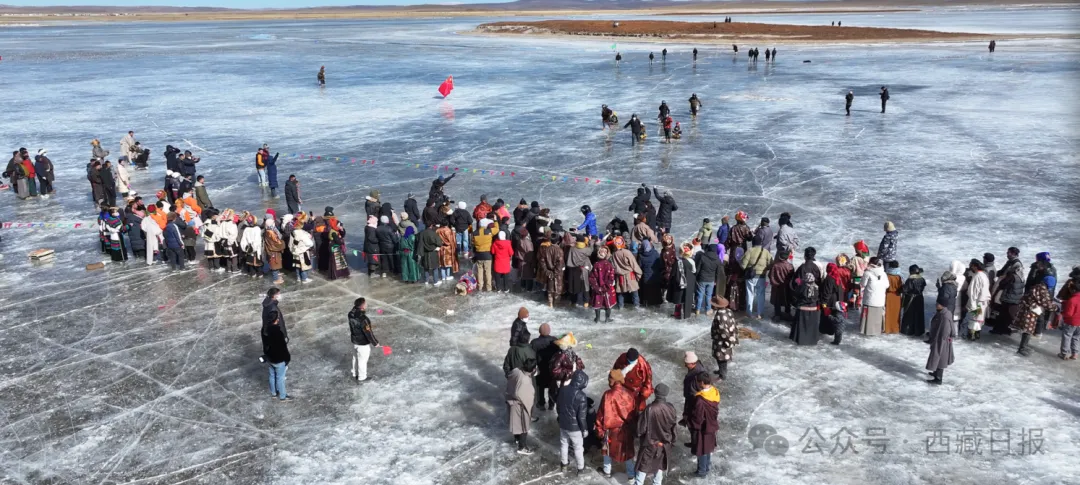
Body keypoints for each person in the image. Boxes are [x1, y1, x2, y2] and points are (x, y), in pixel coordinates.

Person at [597, 369, 637, 480]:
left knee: (607, 450)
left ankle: (607, 471)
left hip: (611, 431)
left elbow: (601, 414)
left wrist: (599, 429)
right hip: (627, 429)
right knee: (627, 452)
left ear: (612, 380)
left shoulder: (608, 395)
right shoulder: (629, 394)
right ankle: (631, 475)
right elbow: (634, 413)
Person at [634, 383, 677, 485]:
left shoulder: (649, 409)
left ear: (655, 393)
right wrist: (672, 441)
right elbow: (674, 428)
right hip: (664, 445)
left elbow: (641, 429)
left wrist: (637, 433)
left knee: (643, 468)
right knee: (659, 469)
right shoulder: (671, 408)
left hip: (650, 445)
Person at [1014, 271, 1054, 356]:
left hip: (1026, 309)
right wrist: (1056, 308)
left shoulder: (1036, 286)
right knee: (1028, 329)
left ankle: (1024, 346)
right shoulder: (1043, 290)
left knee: (1028, 329)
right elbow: (1046, 304)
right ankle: (1022, 348)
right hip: (1031, 311)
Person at [557, 370, 589, 475]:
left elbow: (558, 406)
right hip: (575, 428)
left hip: (563, 424)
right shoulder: (581, 396)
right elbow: (581, 417)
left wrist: (560, 418)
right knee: (578, 447)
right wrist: (584, 429)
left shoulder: (563, 389)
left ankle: (564, 464)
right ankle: (580, 468)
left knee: (564, 444)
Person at [262, 290, 291, 401]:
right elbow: (282, 348)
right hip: (278, 359)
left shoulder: (265, 330)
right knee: (280, 377)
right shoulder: (277, 333)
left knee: (272, 374)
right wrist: (287, 359)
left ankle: (274, 393)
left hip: (269, 357)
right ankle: (283, 396)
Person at [688, 373, 719, 477]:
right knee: (708, 448)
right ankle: (706, 467)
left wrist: (690, 423)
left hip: (702, 428)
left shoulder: (700, 399)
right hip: (712, 425)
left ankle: (701, 471)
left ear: (701, 382)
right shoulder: (714, 392)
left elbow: (697, 417)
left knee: (701, 449)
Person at [926, 279, 956, 385]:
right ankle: (935, 373)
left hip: (941, 341)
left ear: (942, 305)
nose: (936, 304)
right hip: (938, 339)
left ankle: (938, 378)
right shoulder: (942, 313)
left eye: (938, 303)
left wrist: (938, 341)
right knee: (937, 357)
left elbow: (945, 331)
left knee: (940, 358)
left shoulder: (945, 317)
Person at [507, 358, 537, 455]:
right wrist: (530, 412)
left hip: (511, 400)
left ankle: (517, 439)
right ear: (533, 369)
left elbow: (509, 377)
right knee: (524, 426)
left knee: (516, 423)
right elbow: (527, 399)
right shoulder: (525, 382)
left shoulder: (516, 370)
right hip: (520, 405)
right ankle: (522, 447)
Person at [347, 297, 379, 382]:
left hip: (355, 341)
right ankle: (362, 377)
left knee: (355, 358)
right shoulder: (363, 319)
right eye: (365, 303)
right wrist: (375, 343)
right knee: (362, 360)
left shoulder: (350, 314)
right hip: (362, 343)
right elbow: (368, 333)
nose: (366, 304)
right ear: (362, 306)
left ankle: (354, 373)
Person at [612, 348, 654, 412]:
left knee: (635, 408)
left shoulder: (642, 363)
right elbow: (615, 370)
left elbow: (648, 379)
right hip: (623, 387)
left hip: (636, 391)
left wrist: (645, 392)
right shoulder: (622, 358)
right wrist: (614, 383)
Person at [740, 234, 772, 319]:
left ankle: (749, 313)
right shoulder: (765, 252)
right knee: (761, 295)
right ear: (761, 242)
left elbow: (743, 265)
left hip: (750, 276)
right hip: (761, 276)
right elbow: (771, 264)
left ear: (753, 242)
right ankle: (760, 314)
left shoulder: (749, 251)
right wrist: (765, 269)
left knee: (750, 294)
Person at [709, 295, 738, 379]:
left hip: (722, 340)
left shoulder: (719, 315)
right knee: (723, 356)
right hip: (729, 337)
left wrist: (727, 341)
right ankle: (721, 371)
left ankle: (722, 375)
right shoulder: (728, 311)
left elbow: (723, 331)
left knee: (721, 357)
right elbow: (734, 324)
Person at [790, 271, 821, 346]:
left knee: (802, 326)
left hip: (802, 309)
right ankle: (812, 340)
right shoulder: (816, 287)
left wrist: (795, 303)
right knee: (811, 326)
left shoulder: (802, 287)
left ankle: (801, 340)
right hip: (813, 309)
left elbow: (796, 296)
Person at [612, 238, 643, 310]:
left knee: (620, 292)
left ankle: (621, 307)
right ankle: (637, 307)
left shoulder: (614, 254)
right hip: (630, 275)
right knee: (634, 291)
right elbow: (634, 264)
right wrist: (639, 273)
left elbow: (614, 266)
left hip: (620, 275)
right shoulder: (627, 252)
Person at [820, 263, 847, 345]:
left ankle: (827, 330)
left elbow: (827, 292)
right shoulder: (838, 277)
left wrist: (824, 303)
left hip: (830, 301)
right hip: (837, 301)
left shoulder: (829, 278)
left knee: (827, 315)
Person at [860, 258, 887, 335]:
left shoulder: (867, 273)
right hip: (880, 299)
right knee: (877, 316)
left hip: (869, 299)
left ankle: (867, 330)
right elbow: (887, 285)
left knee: (868, 316)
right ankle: (878, 330)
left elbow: (863, 284)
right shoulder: (883, 273)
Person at [965, 259, 991, 340]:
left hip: (977, 302)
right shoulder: (984, 275)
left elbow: (972, 292)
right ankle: (977, 334)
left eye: (971, 266)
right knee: (979, 319)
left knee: (974, 319)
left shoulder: (977, 276)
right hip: (983, 302)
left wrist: (972, 304)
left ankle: (971, 336)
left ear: (975, 266)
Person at [694, 243, 722, 316]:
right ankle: (708, 310)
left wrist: (696, 277)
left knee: (700, 295)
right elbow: (718, 272)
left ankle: (697, 310)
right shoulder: (717, 260)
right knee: (709, 296)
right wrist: (716, 280)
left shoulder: (703, 257)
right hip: (711, 280)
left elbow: (698, 269)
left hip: (702, 279)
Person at [900, 265, 927, 336]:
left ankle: (908, 331)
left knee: (909, 315)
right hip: (919, 298)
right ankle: (919, 331)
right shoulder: (922, 279)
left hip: (910, 299)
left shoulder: (910, 280)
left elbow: (905, 290)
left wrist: (902, 286)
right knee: (919, 314)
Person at [768, 250, 795, 321]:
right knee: (787, 301)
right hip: (787, 287)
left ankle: (777, 315)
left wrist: (774, 283)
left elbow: (770, 275)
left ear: (780, 257)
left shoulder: (775, 265)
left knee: (777, 301)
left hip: (777, 287)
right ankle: (788, 314)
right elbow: (793, 277)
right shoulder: (790, 266)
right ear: (787, 257)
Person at [1059, 275, 1080, 360]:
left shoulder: (1072, 300)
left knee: (1067, 336)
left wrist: (1062, 313)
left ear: (1074, 290)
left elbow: (1069, 313)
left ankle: (1064, 353)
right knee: (1076, 337)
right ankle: (1075, 354)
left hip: (1071, 322)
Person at [472, 221, 497, 291]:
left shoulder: (474, 233)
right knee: (488, 272)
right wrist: (495, 221)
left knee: (480, 271)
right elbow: (497, 229)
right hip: (487, 254)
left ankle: (480, 286)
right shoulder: (489, 231)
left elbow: (473, 243)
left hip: (479, 254)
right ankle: (489, 287)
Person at [884, 261, 903, 334]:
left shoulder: (887, 275)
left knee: (887, 312)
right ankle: (895, 328)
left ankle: (887, 328)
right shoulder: (899, 276)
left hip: (888, 295)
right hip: (897, 296)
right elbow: (902, 287)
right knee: (896, 313)